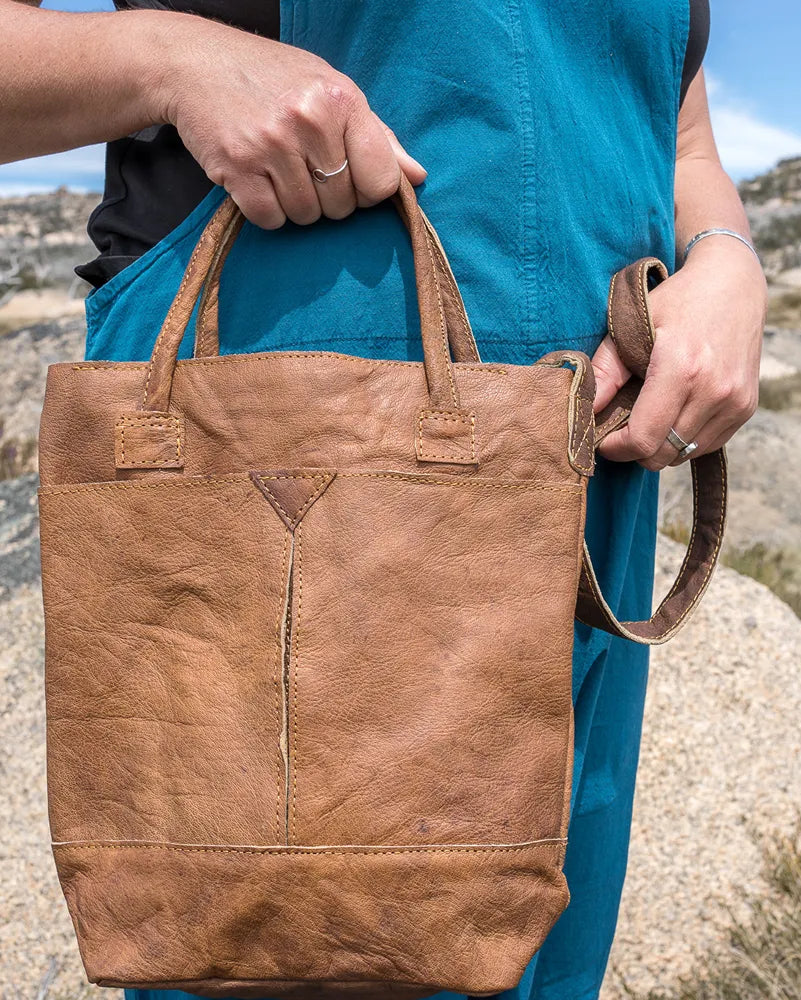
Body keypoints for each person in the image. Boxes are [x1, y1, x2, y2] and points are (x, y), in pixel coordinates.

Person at [0, 1, 767, 998]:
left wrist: (726, 254)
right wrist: (170, 61)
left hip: (584, 482)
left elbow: (683, 133)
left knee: (544, 950)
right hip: (280, 461)